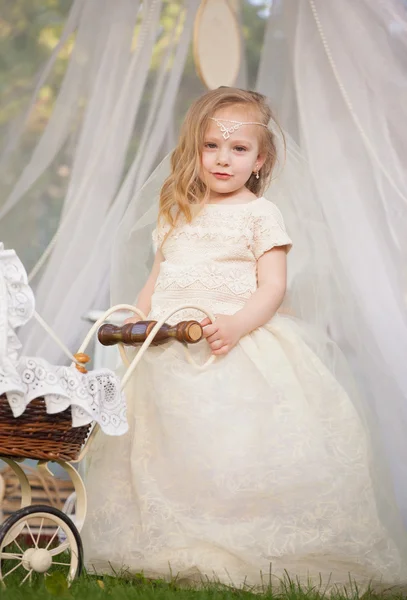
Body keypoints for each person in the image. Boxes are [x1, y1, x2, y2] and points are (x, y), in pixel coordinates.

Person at [81, 88, 406, 592]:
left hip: (234, 347)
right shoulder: (176, 213)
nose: (223, 159)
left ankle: (239, 534)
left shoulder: (260, 215)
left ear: (261, 159)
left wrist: (234, 325)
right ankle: (175, 532)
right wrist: (135, 319)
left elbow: (273, 286)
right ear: (194, 150)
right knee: (170, 447)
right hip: (168, 352)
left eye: (238, 150)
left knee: (232, 445)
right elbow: (157, 280)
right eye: (211, 146)